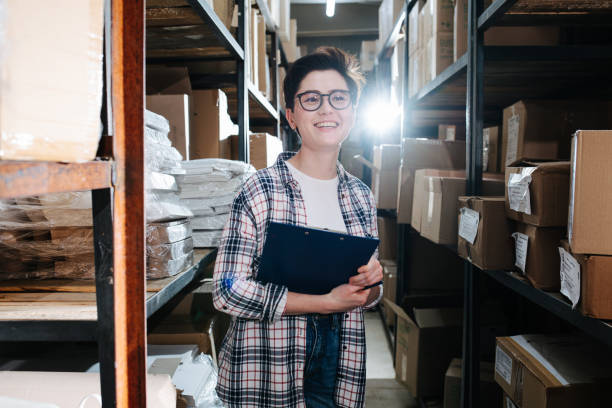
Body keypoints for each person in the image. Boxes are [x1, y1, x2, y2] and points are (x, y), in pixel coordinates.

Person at [213, 46, 383, 408]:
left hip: (339, 359)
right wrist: (323, 303)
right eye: (311, 99)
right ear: (291, 116)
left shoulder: (361, 197)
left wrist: (371, 284)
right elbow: (227, 290)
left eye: (338, 98)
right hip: (270, 362)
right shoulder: (260, 189)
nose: (326, 109)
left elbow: (368, 297)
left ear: (352, 113)